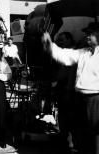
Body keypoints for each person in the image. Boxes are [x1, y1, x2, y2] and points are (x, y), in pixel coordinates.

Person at [42, 22, 99, 154]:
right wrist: (50, 45)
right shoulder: (84, 52)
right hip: (80, 98)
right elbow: (65, 55)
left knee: (96, 134)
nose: (87, 36)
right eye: (86, 33)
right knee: (82, 133)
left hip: (96, 100)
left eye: (90, 33)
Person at [54, 32, 77, 153]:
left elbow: (71, 75)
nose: (60, 42)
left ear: (69, 39)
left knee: (70, 118)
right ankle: (64, 140)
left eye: (62, 40)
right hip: (62, 89)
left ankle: (70, 144)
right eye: (59, 40)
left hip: (69, 91)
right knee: (62, 116)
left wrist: (68, 90)